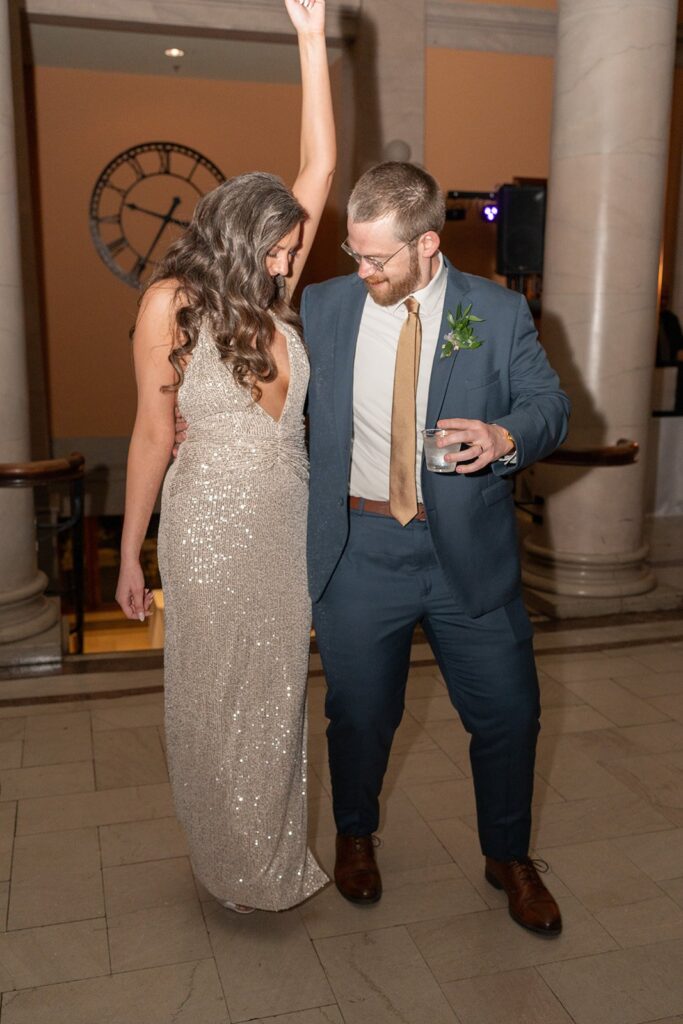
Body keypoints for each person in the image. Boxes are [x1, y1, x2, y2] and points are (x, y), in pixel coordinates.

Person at [300, 162, 570, 936]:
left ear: (425, 245)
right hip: (359, 547)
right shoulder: (324, 307)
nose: (360, 271)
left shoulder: (496, 310)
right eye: (354, 253)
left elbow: (548, 404)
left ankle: (508, 855)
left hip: (467, 553)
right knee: (358, 714)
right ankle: (355, 835)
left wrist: (504, 435)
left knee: (510, 715)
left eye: (376, 258)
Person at [115, 0, 335, 913]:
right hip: (205, 534)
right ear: (243, 238)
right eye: (280, 250)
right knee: (218, 703)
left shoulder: (274, 296)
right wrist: (129, 550)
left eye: (294, 249)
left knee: (278, 701)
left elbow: (319, 166)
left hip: (286, 530)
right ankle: (229, 862)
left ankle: (274, 855)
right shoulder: (172, 301)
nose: (290, 265)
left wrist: (312, 40)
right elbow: (152, 434)